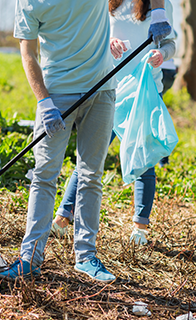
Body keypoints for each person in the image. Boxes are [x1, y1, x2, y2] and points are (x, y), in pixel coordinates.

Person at [0, 0, 172, 283]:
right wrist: (43, 101)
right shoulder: (28, 3)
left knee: (91, 175)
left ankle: (86, 256)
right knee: (44, 175)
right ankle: (29, 258)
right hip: (56, 94)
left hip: (101, 90)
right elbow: (27, 53)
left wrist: (160, 10)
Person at [51, 0, 176, 246]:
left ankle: (140, 229)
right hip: (108, 88)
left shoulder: (159, 5)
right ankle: (63, 218)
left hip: (144, 90)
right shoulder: (104, 4)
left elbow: (170, 44)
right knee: (90, 155)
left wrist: (162, 54)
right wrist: (106, 43)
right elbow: (90, 39)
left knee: (144, 158)